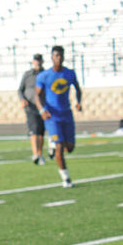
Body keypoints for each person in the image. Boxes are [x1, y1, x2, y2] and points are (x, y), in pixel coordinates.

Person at [36, 45, 83, 188]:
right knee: (59, 147)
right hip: (52, 116)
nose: (59, 58)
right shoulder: (44, 76)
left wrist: (79, 102)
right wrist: (42, 110)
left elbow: (78, 88)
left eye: (61, 55)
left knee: (70, 147)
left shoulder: (69, 73)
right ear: (52, 57)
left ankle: (52, 142)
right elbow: (36, 95)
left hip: (67, 114)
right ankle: (66, 178)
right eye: (56, 55)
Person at [18, 53, 48, 165]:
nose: (37, 62)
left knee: (41, 132)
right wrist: (22, 99)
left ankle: (39, 154)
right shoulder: (27, 75)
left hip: (43, 106)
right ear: (33, 62)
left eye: (39, 60)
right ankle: (35, 154)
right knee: (34, 130)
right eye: (36, 60)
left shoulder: (46, 74)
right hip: (30, 107)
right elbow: (20, 90)